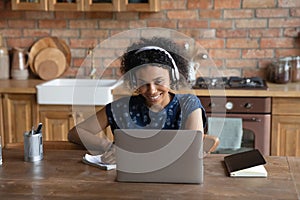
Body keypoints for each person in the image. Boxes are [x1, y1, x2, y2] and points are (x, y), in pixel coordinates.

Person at [68, 37, 207, 164]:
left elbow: (192, 149)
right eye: (143, 83)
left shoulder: (189, 104)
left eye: (159, 81)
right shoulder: (120, 108)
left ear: (173, 78)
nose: (152, 90)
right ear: (134, 82)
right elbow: (76, 133)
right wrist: (110, 147)